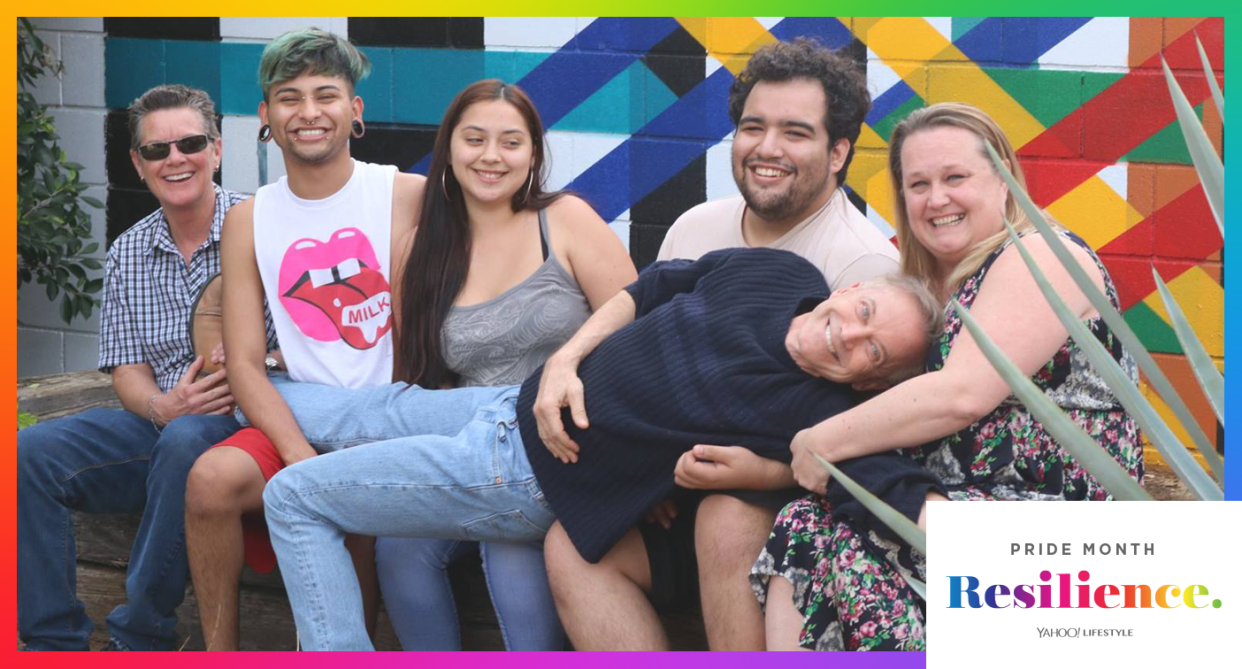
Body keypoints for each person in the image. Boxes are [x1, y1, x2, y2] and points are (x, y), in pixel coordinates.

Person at [256, 246, 939, 651]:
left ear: (872, 381)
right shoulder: (779, 273)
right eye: (865, 313)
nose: (849, 334)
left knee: (292, 498)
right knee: (333, 403)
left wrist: (1018, 548)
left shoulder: (821, 414)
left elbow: (896, 494)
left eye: (872, 351)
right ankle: (221, 381)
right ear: (851, 290)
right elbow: (657, 285)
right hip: (515, 399)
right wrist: (566, 359)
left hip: (517, 472)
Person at [543, 37, 900, 651]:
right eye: (753, 127)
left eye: (795, 132)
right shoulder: (695, 227)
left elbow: (865, 441)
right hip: (671, 478)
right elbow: (647, 359)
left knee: (726, 517)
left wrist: (764, 474)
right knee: (573, 541)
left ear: (838, 151)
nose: (767, 149)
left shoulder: (863, 268)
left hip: (780, 501)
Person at [753, 102, 1143, 651]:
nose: (936, 199)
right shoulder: (921, 296)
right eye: (918, 184)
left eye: (955, 178)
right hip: (951, 512)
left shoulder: (1043, 255)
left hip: (1051, 531)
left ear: (1004, 176)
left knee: (825, 535)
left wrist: (819, 443)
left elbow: (962, 395)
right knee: (802, 525)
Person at [180, 28, 424, 651]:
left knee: (357, 530)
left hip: (386, 419)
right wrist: (301, 459)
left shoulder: (404, 195)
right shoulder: (250, 218)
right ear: (266, 116)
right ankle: (220, 653)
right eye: (289, 98)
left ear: (355, 109)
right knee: (209, 482)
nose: (308, 112)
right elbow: (244, 364)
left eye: (326, 94)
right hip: (298, 416)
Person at [373, 79, 635, 650]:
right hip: (475, 453)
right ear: (449, 149)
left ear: (533, 154)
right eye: (475, 139)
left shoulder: (566, 219)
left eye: (510, 142)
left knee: (509, 552)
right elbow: (420, 382)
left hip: (573, 453)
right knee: (397, 547)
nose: (491, 156)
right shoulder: (418, 249)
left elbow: (637, 336)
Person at [16, 85, 273, 651]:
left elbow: (306, 347)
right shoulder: (127, 252)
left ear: (216, 150)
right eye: (157, 151)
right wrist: (162, 404)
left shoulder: (263, 228)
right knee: (27, 453)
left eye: (190, 144)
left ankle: (141, 638)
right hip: (161, 422)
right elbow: (128, 372)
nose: (175, 159)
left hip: (248, 425)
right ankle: (51, 644)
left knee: (187, 440)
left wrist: (257, 357)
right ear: (138, 162)